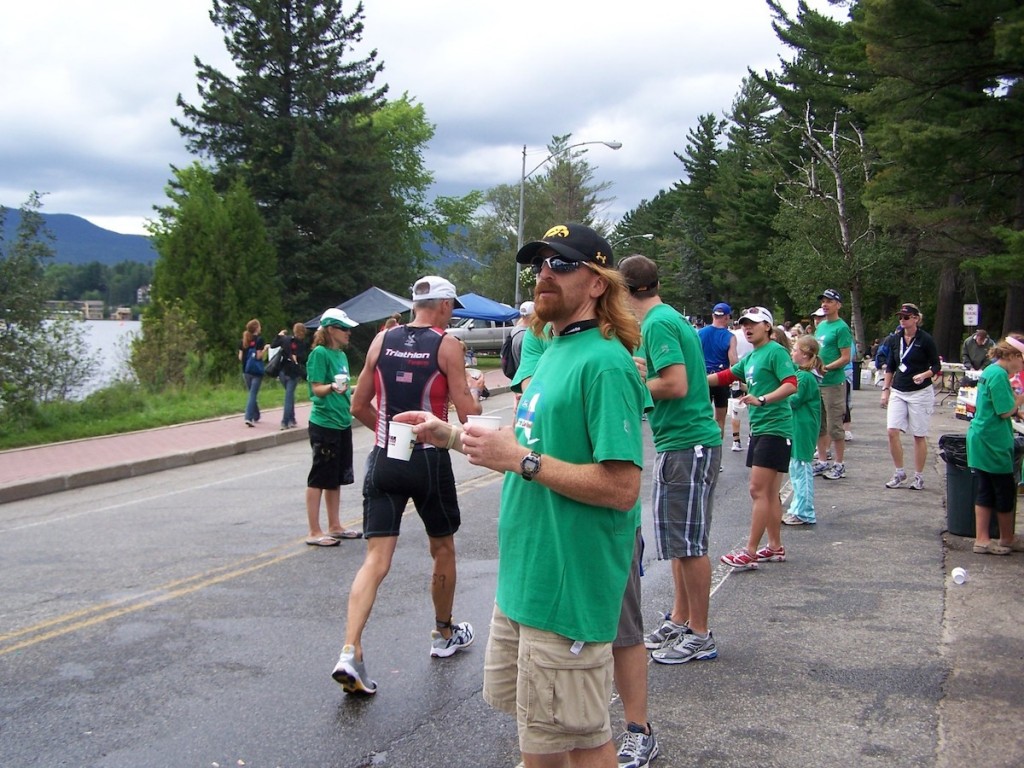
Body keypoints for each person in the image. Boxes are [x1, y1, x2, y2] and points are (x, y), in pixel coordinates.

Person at [401, 224, 648, 767]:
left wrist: (522, 462)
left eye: (562, 265)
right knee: (543, 738)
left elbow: (623, 488)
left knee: (579, 741)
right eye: (540, 264)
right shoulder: (552, 350)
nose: (545, 275)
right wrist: (445, 434)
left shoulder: (605, 364)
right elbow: (524, 445)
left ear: (598, 283)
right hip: (526, 582)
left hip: (567, 588)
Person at [331, 275, 481, 696]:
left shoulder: (382, 340)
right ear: (446, 306)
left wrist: (386, 431)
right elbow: (468, 416)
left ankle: (350, 649)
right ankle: (443, 633)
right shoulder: (447, 345)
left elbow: (358, 404)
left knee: (376, 558)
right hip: (429, 458)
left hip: (385, 456)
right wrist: (476, 391)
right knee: (442, 547)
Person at [618, 255, 722, 675]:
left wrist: (635, 383)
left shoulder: (658, 323)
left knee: (690, 544)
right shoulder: (665, 320)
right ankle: (680, 620)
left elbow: (675, 384)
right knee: (678, 541)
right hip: (679, 443)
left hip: (688, 444)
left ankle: (700, 633)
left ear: (626, 291)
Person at [709, 307, 798, 570]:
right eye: (745, 324)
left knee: (757, 490)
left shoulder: (775, 352)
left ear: (768, 327)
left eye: (754, 324)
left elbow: (791, 383)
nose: (748, 328)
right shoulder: (753, 356)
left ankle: (749, 551)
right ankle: (774, 546)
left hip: (775, 429)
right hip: (762, 429)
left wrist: (762, 399)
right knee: (769, 493)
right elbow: (726, 375)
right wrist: (694, 381)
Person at [303, 309, 362, 546]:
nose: (348, 333)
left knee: (335, 477)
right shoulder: (319, 354)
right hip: (324, 422)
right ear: (330, 330)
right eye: (344, 328)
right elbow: (316, 388)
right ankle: (314, 531)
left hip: (342, 421)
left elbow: (346, 386)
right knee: (319, 476)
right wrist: (332, 388)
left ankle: (334, 525)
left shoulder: (341, 356)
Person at [968, 334, 1024, 554]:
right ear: (1013, 355)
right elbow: (1004, 411)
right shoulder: (999, 375)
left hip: (981, 436)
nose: (1022, 367)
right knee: (1003, 490)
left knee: (986, 488)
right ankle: (1005, 538)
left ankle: (983, 539)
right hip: (993, 440)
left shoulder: (991, 371)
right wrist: (1020, 400)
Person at [881, 303, 942, 491]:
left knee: (918, 434)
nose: (902, 320)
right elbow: (891, 365)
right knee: (892, 431)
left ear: (916, 319)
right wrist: (885, 389)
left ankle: (919, 475)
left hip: (920, 391)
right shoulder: (894, 339)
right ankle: (899, 471)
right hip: (899, 389)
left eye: (906, 317)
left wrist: (924, 375)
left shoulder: (925, 340)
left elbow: (936, 366)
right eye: (900, 317)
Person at [812, 289, 852, 480]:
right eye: (823, 301)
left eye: (829, 301)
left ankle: (839, 464)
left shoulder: (841, 327)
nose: (824, 305)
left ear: (838, 305)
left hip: (833, 383)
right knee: (820, 423)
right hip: (818, 382)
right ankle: (821, 461)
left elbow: (846, 357)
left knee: (835, 425)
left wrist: (826, 367)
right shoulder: (821, 326)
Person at [783, 335, 823, 526]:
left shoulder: (805, 378)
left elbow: (793, 400)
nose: (793, 352)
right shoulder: (802, 375)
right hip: (798, 426)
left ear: (805, 355)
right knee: (795, 467)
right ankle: (797, 507)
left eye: (796, 350)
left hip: (804, 427)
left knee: (801, 468)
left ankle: (805, 511)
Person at [698, 302, 739, 437]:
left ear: (713, 316)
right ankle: (717, 446)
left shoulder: (700, 333)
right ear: (727, 317)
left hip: (704, 378)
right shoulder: (730, 337)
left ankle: (702, 444)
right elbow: (733, 361)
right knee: (720, 419)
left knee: (702, 416)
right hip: (721, 379)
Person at [272, 322, 308, 430]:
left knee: (289, 395)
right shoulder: (302, 344)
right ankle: (285, 421)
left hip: (282, 371)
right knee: (289, 397)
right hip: (293, 373)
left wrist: (279, 335)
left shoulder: (286, 339)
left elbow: (273, 345)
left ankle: (292, 419)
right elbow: (302, 359)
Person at [728, 319, 755, 451]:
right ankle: (751, 436)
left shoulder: (734, 335)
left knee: (737, 406)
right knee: (752, 406)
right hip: (750, 371)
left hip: (738, 371)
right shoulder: (756, 335)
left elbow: (731, 355)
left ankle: (736, 441)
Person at [238, 318, 267, 428]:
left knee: (251, 393)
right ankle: (248, 417)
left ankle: (256, 415)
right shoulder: (259, 340)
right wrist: (265, 349)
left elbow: (240, 357)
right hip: (256, 371)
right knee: (253, 394)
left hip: (245, 370)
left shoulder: (243, 341)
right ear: (256, 328)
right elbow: (259, 356)